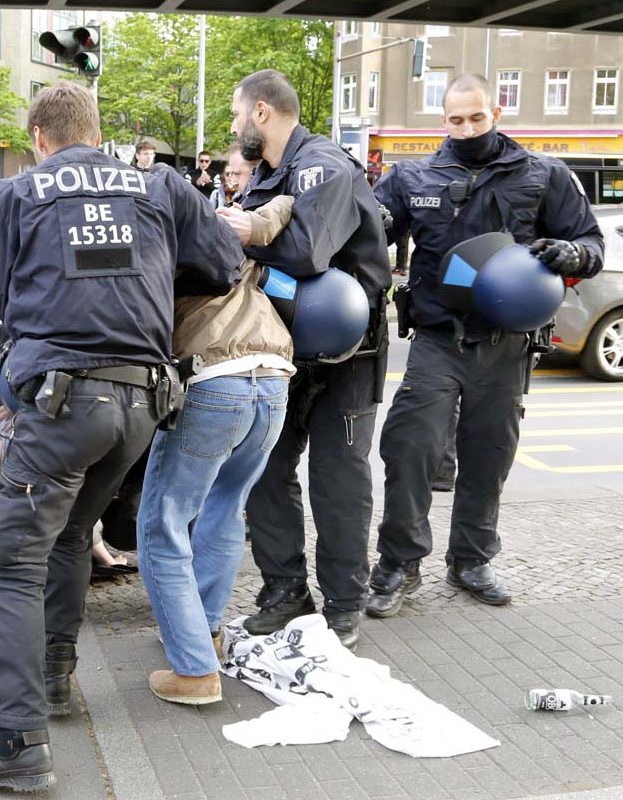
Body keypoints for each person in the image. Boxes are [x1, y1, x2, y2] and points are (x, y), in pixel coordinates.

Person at [0, 81, 244, 793]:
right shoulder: (160, 186)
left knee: (12, 558)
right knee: (74, 532)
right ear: (97, 130)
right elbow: (224, 267)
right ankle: (52, 678)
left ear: (40, 139)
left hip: (61, 399)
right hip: (141, 401)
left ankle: (18, 740)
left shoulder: (17, 194)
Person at [367, 73, 603, 617]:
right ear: (443, 120)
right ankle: (399, 563)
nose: (467, 128)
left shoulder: (543, 175)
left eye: (476, 118)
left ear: (495, 112)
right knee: (411, 448)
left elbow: (590, 241)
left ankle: (471, 559)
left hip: (507, 344)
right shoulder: (413, 175)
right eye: (455, 120)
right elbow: (368, 230)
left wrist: (572, 253)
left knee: (489, 453)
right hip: (435, 338)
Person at [219, 69, 392, 648]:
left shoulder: (323, 166)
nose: (233, 124)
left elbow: (307, 252)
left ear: (262, 112)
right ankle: (285, 592)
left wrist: (247, 232)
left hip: (348, 353)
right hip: (286, 348)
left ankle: (345, 602)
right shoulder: (267, 175)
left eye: (236, 113)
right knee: (265, 470)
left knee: (337, 479)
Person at [139, 196, 295, 705]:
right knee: (226, 511)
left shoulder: (166, 245)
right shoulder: (234, 233)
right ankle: (202, 633)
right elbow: (284, 206)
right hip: (273, 379)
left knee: (164, 521)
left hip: (212, 380)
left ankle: (193, 671)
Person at [210, 143, 254, 210]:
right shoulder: (216, 194)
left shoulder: (254, 195)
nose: (232, 177)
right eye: (227, 174)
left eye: (236, 173)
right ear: (223, 176)